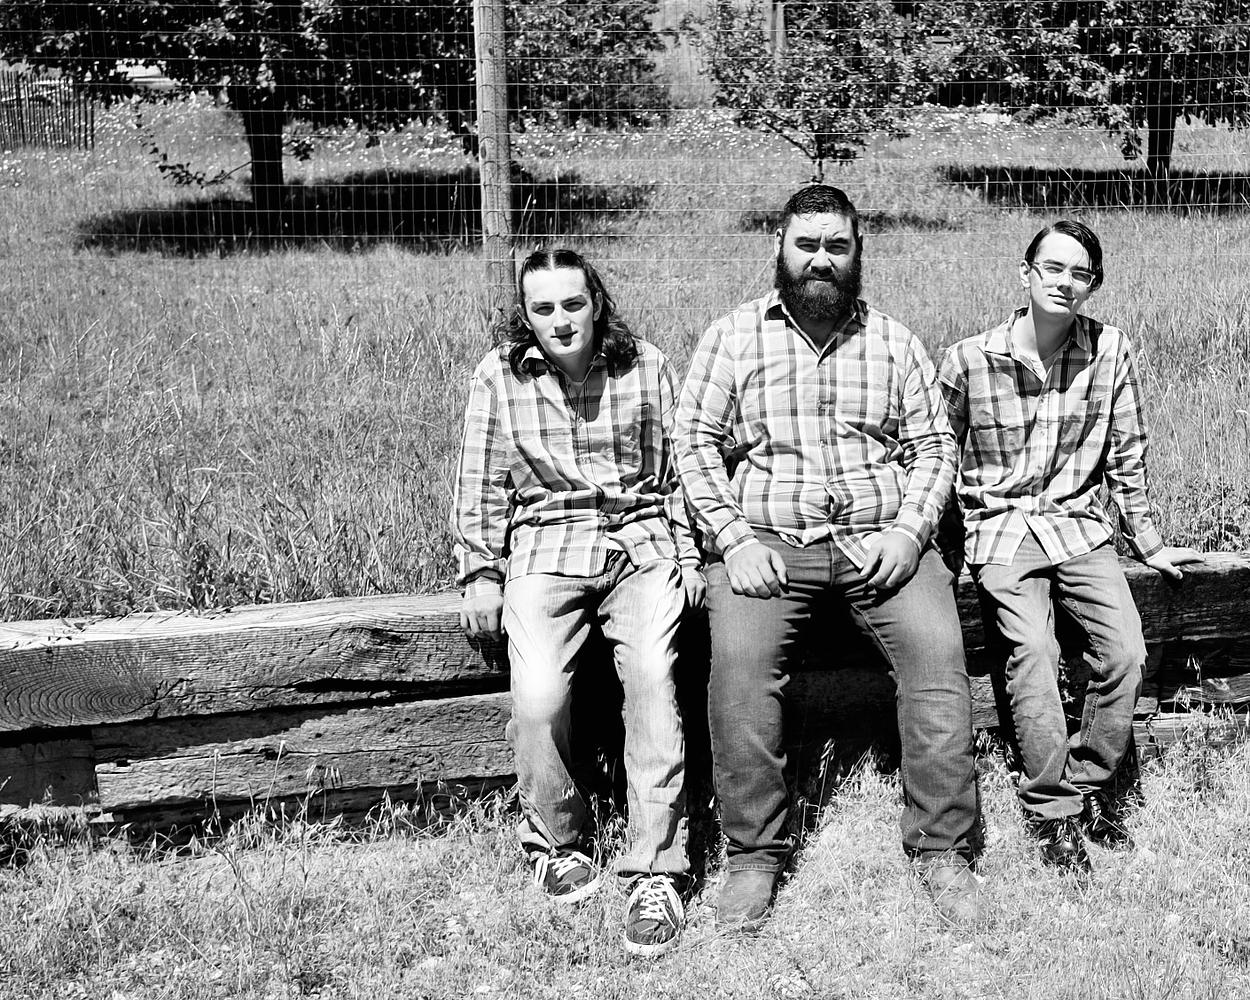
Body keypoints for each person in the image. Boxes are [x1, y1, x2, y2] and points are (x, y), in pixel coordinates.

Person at [674, 184, 985, 931]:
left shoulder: (895, 341)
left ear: (857, 253)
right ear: (779, 249)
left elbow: (935, 447)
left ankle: (943, 847)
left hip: (880, 543)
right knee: (741, 668)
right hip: (768, 544)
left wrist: (909, 533)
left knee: (938, 656)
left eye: (837, 246)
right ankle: (754, 855)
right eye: (807, 244)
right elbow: (692, 444)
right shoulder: (733, 337)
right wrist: (733, 539)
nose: (822, 259)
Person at [452, 248, 703, 957]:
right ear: (525, 316)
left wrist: (688, 555)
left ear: (597, 303)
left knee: (651, 677)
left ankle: (656, 870)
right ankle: (557, 842)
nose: (561, 320)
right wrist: (480, 572)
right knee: (539, 694)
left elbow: (681, 471)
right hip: (545, 546)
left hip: (641, 542)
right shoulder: (499, 375)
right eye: (543, 308)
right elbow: (480, 480)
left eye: (573, 304)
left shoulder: (646, 365)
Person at [939, 220, 1203, 872]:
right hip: (1000, 530)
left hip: (1079, 527)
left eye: (1079, 272)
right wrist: (936, 552)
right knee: (1032, 651)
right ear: (1025, 273)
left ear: (1093, 284)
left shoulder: (1110, 350)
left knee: (1126, 652)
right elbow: (936, 460)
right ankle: (1052, 813)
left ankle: (1086, 782)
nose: (1065, 282)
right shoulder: (969, 358)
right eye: (1052, 268)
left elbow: (1127, 453)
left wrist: (1148, 541)